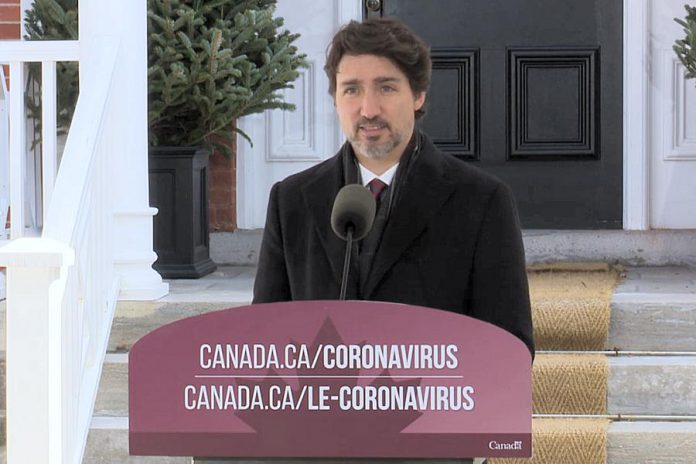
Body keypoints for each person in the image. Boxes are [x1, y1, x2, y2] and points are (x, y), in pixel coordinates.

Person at [252, 18, 534, 356]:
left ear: (418, 95)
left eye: (386, 87)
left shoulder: (481, 201)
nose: (368, 110)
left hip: (436, 406)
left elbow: (509, 347)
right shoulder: (290, 201)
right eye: (352, 89)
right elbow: (264, 339)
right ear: (335, 98)